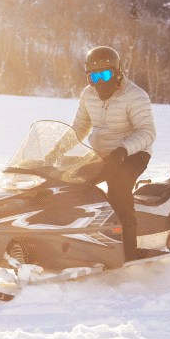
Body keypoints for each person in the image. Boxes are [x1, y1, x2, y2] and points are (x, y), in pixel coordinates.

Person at [70, 46, 156, 263]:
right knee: (71, 183)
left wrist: (123, 150)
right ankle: (76, 239)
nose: (100, 81)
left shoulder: (135, 95)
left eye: (105, 75)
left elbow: (147, 132)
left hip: (132, 153)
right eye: (94, 76)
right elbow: (80, 127)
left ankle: (128, 252)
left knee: (118, 191)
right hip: (101, 154)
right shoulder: (88, 94)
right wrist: (60, 148)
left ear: (117, 71)